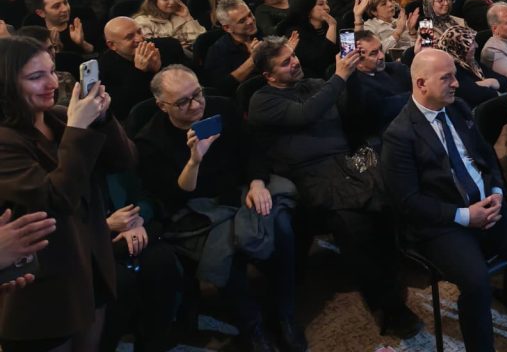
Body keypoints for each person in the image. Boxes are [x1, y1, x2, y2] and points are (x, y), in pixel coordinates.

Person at [381, 49, 507, 352]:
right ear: (421, 84)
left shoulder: (458, 109)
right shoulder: (400, 135)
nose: (456, 83)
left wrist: (497, 192)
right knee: (476, 282)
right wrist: (465, 216)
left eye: (455, 75)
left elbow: (487, 159)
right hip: (445, 225)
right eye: (446, 78)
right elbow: (408, 202)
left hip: (489, 206)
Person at [246, 38, 422, 339]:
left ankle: (402, 262)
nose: (295, 62)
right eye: (285, 63)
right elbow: (306, 113)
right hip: (310, 172)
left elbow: (352, 113)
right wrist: (340, 76)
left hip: (348, 160)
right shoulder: (262, 100)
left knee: (391, 190)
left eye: (293, 55)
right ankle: (387, 306)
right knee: (354, 224)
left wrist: (351, 79)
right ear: (269, 75)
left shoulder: (315, 83)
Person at [136, 65, 305, 352]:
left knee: (282, 229)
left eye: (197, 93)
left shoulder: (221, 108)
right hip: (196, 209)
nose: (196, 105)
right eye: (183, 102)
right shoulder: (151, 140)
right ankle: (252, 326)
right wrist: (195, 160)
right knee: (225, 253)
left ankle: (284, 314)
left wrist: (257, 183)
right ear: (162, 106)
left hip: (239, 190)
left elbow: (252, 150)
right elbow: (173, 196)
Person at [0, 35, 135, 350]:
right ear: (6, 85)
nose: (51, 83)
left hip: (88, 265)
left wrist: (102, 118)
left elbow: (123, 161)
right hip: (43, 281)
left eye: (51, 70)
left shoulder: (60, 117)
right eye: (36, 76)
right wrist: (78, 129)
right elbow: (56, 198)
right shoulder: (6, 140)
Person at [133, 0, 206, 52]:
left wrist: (188, 17)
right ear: (154, 1)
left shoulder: (182, 16)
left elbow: (200, 42)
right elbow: (148, 48)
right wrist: (177, 47)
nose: (172, 2)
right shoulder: (143, 21)